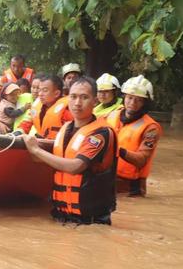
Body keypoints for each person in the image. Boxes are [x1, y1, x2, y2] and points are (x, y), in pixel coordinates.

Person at [24, 77, 117, 225]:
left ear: (95, 101)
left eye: (84, 97)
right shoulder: (65, 128)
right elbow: (45, 159)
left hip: (89, 221)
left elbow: (75, 167)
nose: (77, 103)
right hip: (61, 215)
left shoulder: (101, 133)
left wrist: (36, 150)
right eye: (73, 97)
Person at [104, 75, 162, 197]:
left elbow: (141, 160)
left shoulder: (151, 128)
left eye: (138, 100)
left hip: (131, 188)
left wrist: (117, 150)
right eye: (130, 98)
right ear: (124, 97)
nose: (132, 103)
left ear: (145, 103)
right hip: (107, 180)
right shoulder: (111, 116)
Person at [16, 75, 73, 139]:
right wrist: (16, 133)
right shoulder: (36, 106)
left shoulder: (67, 110)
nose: (40, 94)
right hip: (41, 142)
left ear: (56, 93)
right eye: (40, 90)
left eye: (45, 90)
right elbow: (26, 124)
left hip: (57, 145)